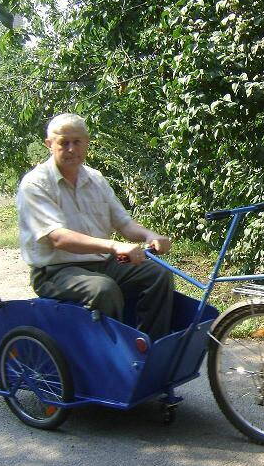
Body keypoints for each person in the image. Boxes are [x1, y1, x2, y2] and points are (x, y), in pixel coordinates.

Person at [17, 113, 175, 340]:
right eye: (64, 142)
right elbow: (58, 238)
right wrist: (114, 246)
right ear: (49, 144)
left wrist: (151, 235)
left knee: (158, 274)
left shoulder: (96, 179)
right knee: (103, 289)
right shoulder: (35, 184)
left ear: (87, 143)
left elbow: (124, 223)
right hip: (54, 271)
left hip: (101, 263)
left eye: (77, 142)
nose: (71, 149)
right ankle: (114, 353)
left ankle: (150, 348)